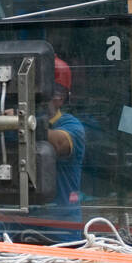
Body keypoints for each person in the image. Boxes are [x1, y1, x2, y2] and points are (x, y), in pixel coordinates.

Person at [42, 56, 85, 222]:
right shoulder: (9, 121)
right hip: (12, 228)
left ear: (59, 97)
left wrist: (21, 121)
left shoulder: (71, 125)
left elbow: (59, 144)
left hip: (60, 226)